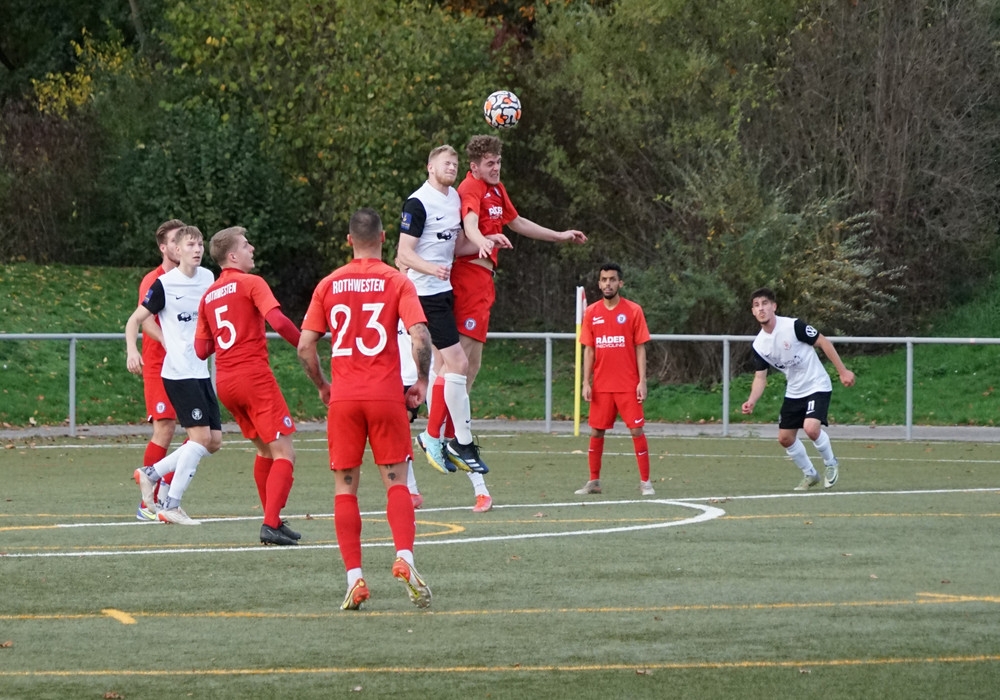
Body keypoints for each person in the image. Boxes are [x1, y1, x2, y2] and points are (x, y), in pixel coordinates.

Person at [421, 134, 587, 511]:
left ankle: (447, 440)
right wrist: (481, 240)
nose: (496, 168)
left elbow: (517, 221)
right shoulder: (471, 187)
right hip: (467, 279)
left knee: (467, 369)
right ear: (474, 166)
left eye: (498, 162)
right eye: (490, 163)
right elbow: (470, 223)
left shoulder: (496, 189)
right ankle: (437, 437)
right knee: (456, 368)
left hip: (482, 282)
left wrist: (559, 236)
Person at [297, 207, 433, 611]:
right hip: (385, 395)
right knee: (397, 483)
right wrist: (422, 381)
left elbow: (305, 346)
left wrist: (322, 385)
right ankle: (404, 558)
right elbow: (420, 335)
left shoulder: (329, 283)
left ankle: (354, 579)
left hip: (345, 398)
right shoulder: (397, 281)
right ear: (384, 237)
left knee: (345, 488)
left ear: (348, 240)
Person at [194, 227, 303, 546]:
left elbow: (201, 350)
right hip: (253, 377)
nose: (251, 248)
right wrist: (305, 344)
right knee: (285, 453)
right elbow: (278, 321)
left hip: (226, 383)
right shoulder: (251, 283)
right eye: (245, 245)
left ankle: (274, 520)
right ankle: (270, 523)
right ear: (232, 256)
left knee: (265, 451)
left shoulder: (209, 295)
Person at [397, 144, 492, 477]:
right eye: (445, 163)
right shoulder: (418, 202)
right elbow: (404, 253)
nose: (451, 167)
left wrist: (487, 241)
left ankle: (436, 437)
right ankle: (457, 441)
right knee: (459, 364)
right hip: (424, 295)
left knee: (444, 367)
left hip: (444, 292)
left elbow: (457, 245)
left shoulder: (454, 200)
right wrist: (430, 268)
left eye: (454, 163)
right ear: (430, 167)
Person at [125, 225, 221, 525]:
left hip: (200, 370)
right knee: (188, 434)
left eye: (200, 244)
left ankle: (151, 474)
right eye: (191, 245)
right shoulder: (162, 284)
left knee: (213, 441)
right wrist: (132, 350)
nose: (197, 249)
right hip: (177, 372)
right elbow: (136, 320)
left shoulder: (208, 278)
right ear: (174, 249)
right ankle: (169, 503)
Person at [741, 287, 856, 490]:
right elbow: (760, 377)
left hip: (817, 384)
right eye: (756, 305)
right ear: (753, 311)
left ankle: (831, 463)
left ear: (774, 306)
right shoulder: (759, 345)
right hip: (794, 390)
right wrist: (752, 400)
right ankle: (810, 474)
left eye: (765, 303)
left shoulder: (793, 326)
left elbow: (823, 342)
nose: (761, 309)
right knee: (785, 438)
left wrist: (843, 371)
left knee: (811, 428)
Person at [574, 263, 654, 496]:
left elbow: (640, 347)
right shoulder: (592, 312)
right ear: (599, 284)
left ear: (620, 283)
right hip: (601, 385)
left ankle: (645, 482)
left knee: (636, 430)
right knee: (596, 432)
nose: (608, 283)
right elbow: (589, 350)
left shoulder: (633, 310)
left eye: (612, 279)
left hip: (628, 384)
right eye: (604, 279)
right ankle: (594, 481)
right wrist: (586, 382)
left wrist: (642, 380)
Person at [134, 219, 184, 521]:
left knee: (205, 432)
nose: (182, 245)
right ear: (163, 248)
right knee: (165, 427)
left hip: (187, 364)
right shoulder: (154, 280)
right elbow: (145, 320)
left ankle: (165, 488)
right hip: (159, 364)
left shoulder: (192, 279)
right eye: (176, 240)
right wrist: (170, 341)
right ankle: (148, 503)